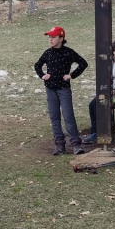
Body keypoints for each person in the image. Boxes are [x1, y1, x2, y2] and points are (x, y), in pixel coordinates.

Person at [34, 26, 88, 156]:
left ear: (61, 38)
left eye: (53, 37)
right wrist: (42, 75)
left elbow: (83, 63)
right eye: (49, 37)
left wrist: (71, 75)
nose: (50, 39)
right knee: (54, 116)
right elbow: (37, 65)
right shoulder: (48, 53)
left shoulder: (68, 52)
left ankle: (75, 144)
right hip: (50, 89)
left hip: (64, 89)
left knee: (68, 115)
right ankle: (59, 144)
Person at [83, 39, 115, 144]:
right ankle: (95, 131)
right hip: (108, 91)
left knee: (99, 103)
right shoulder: (110, 62)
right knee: (93, 104)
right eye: (114, 50)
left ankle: (101, 132)